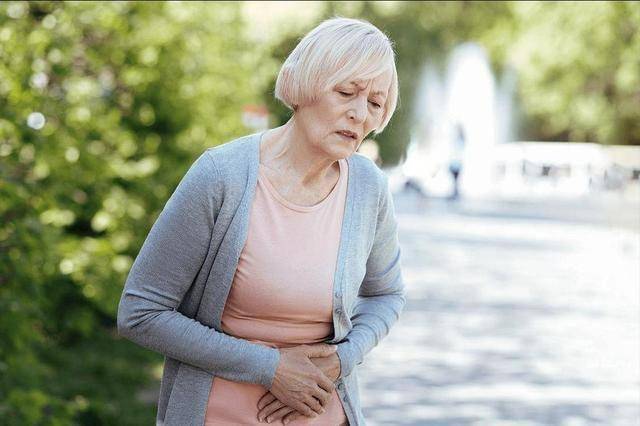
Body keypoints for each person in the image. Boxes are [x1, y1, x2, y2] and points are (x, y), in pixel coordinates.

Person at [117, 16, 405, 426]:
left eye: (375, 103)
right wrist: (270, 368)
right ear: (303, 85)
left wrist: (344, 357)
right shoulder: (221, 176)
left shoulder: (368, 187)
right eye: (346, 92)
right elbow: (141, 312)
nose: (360, 114)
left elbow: (386, 294)